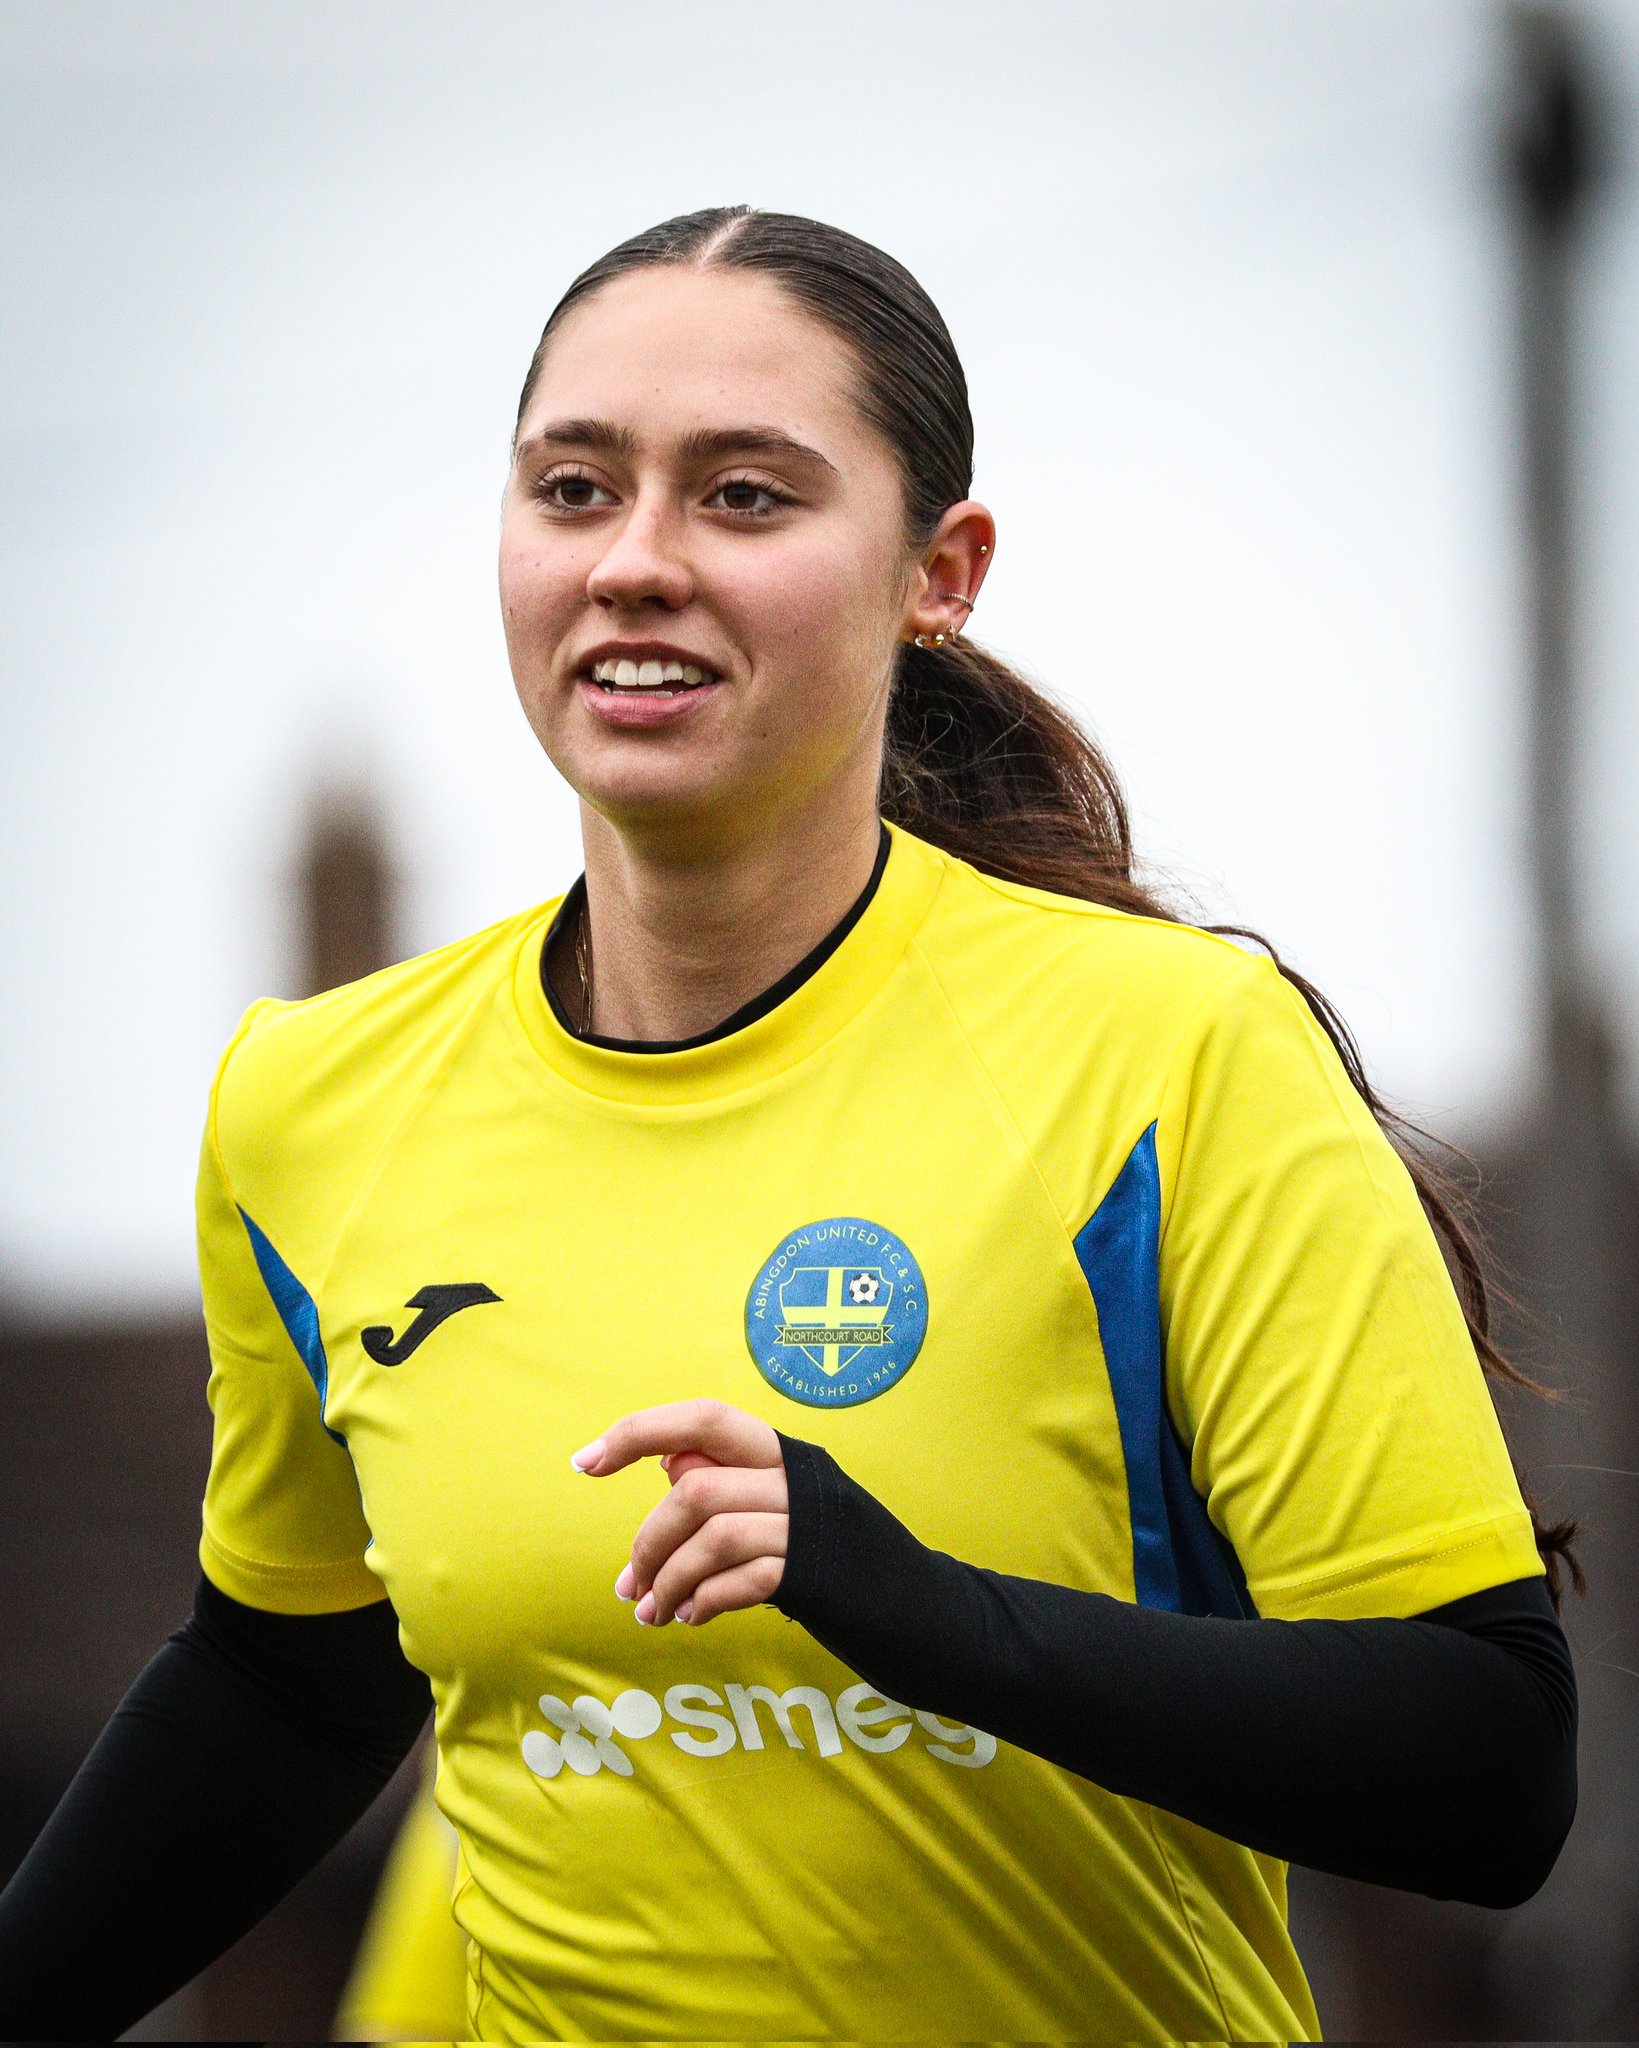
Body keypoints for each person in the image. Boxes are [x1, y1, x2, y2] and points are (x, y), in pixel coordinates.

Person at [0, 206, 1579, 2045]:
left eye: (745, 496)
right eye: (573, 490)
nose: (637, 563)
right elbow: (287, 1686)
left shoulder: (1176, 1054)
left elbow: (1489, 1767)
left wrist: (913, 1603)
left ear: (941, 572)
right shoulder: (313, 1102)